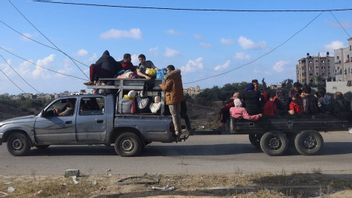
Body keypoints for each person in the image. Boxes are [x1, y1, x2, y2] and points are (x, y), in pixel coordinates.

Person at [159, 65, 184, 137]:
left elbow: (166, 88)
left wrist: (161, 85)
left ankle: (177, 130)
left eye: (167, 70)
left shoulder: (169, 77)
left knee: (174, 115)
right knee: (178, 114)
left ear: (169, 70)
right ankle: (180, 129)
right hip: (178, 98)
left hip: (171, 98)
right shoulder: (178, 76)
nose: (166, 72)